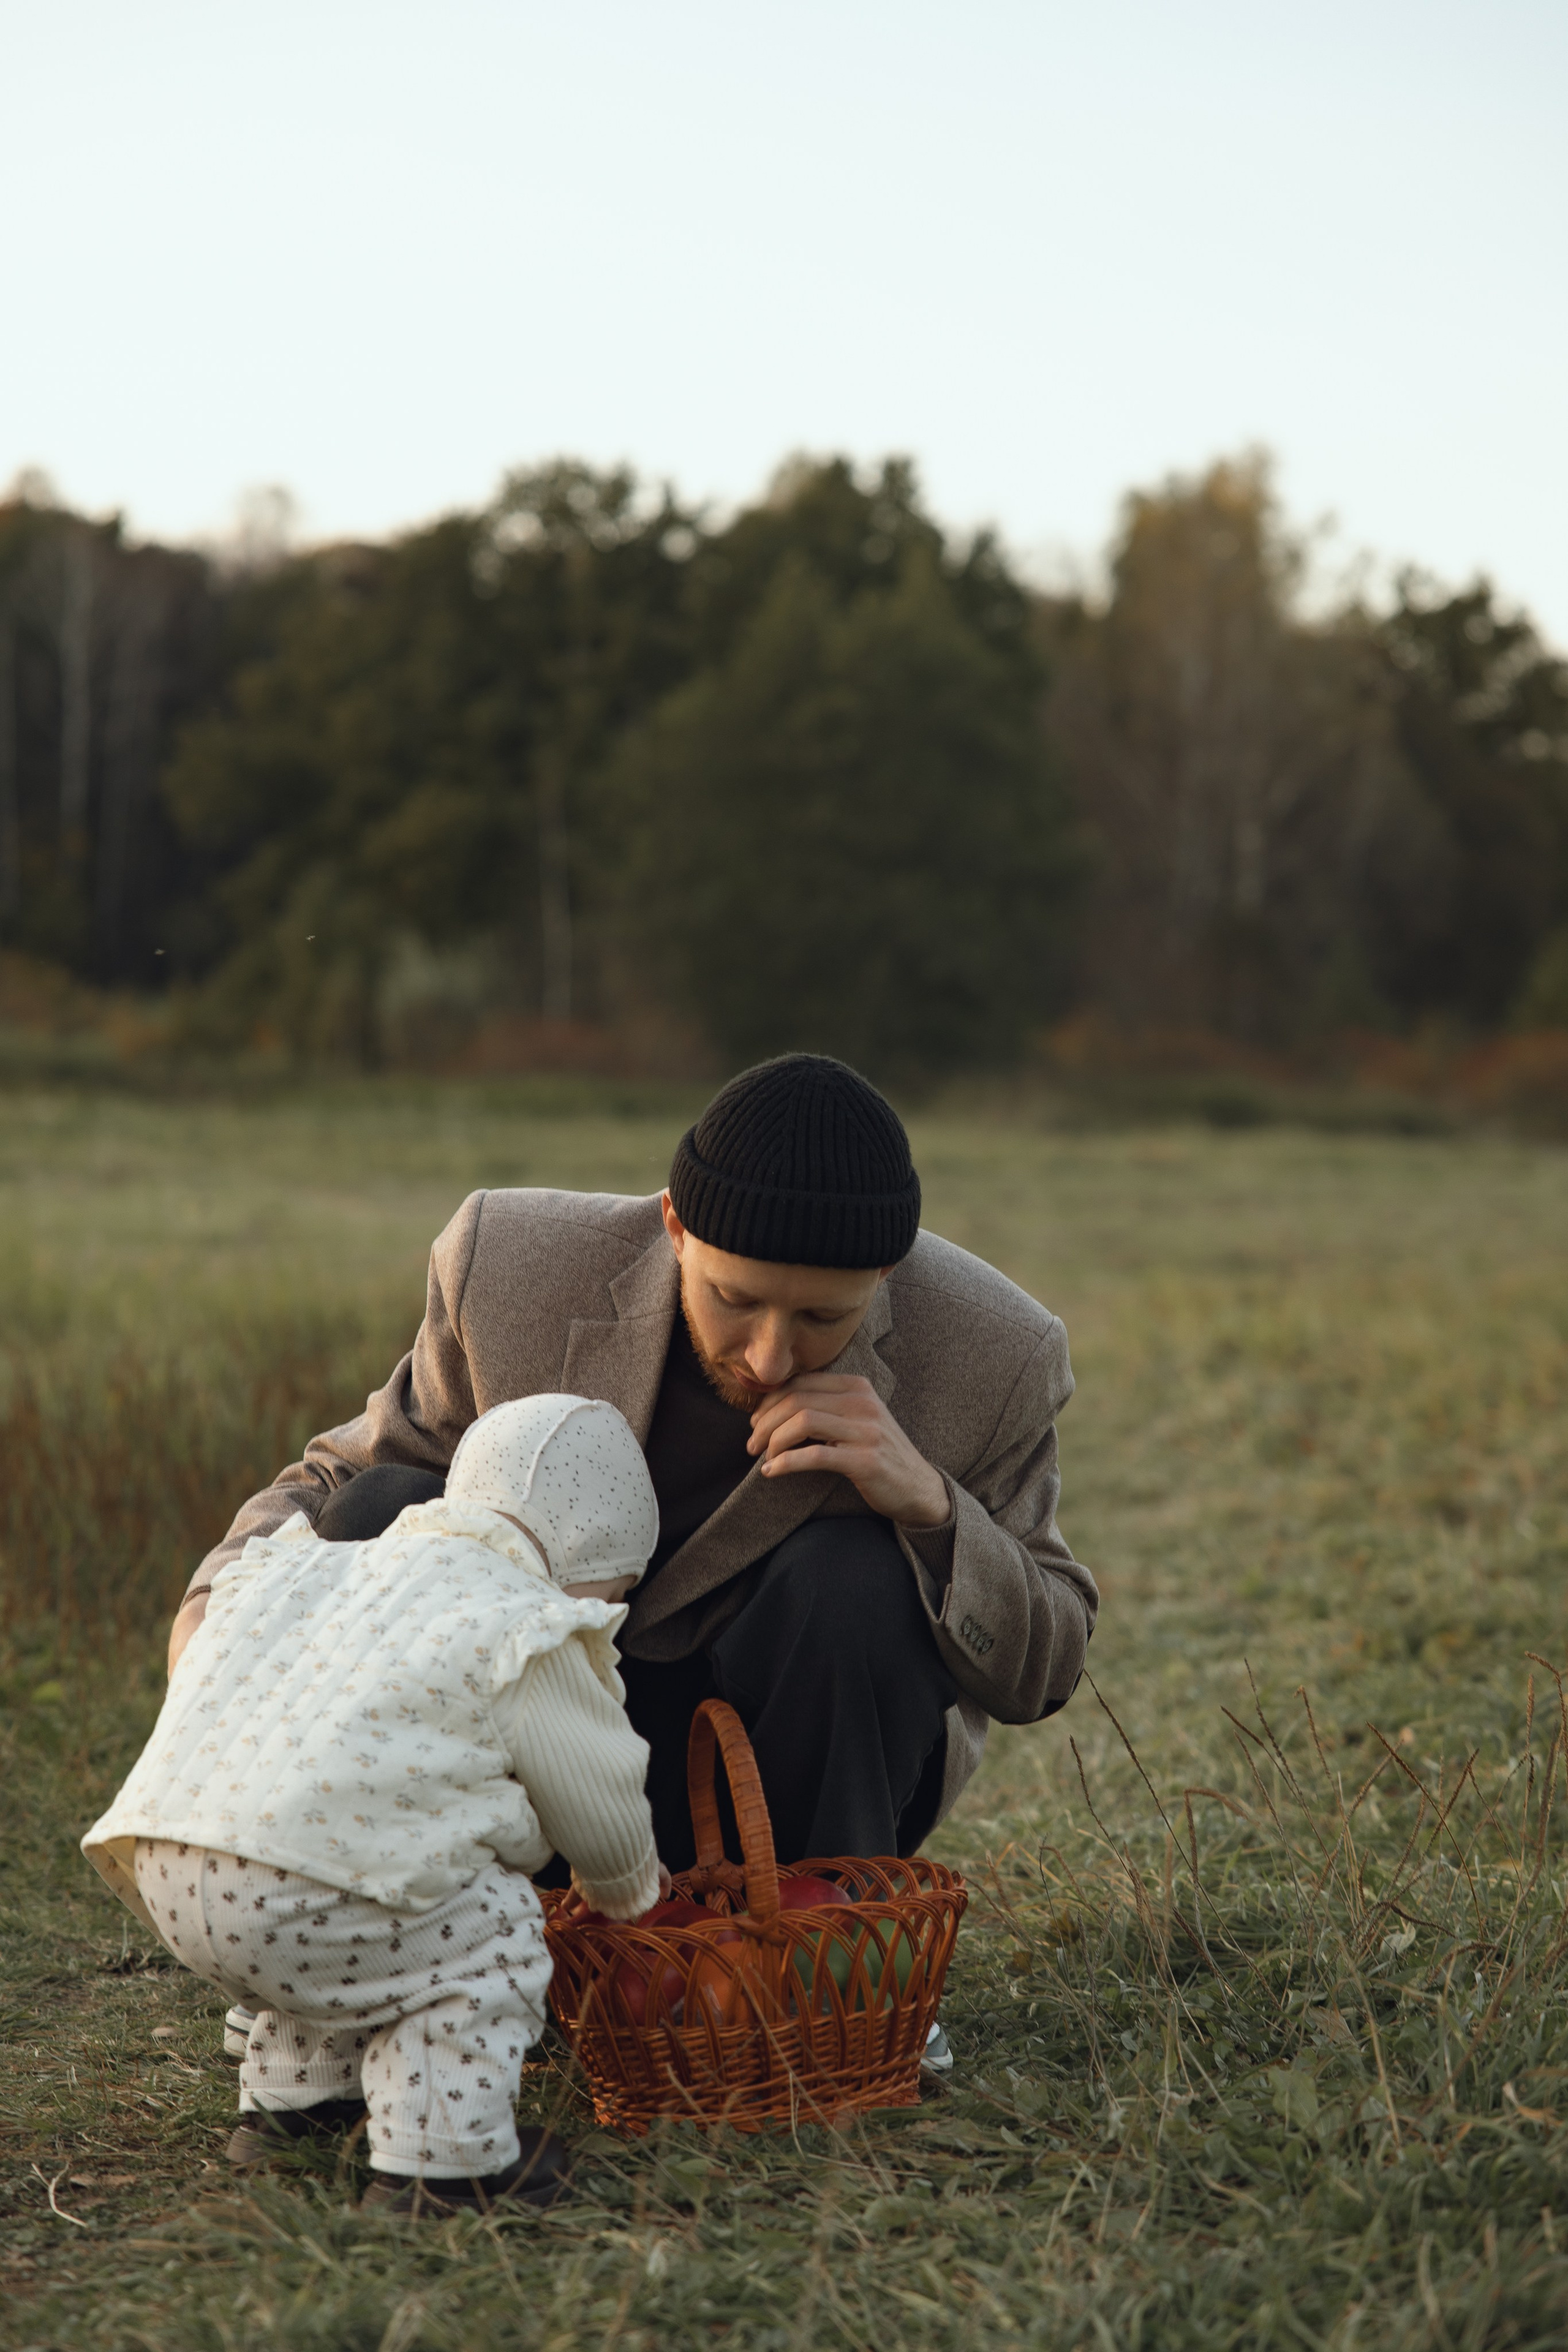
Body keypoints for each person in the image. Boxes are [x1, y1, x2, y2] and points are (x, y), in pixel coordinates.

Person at [171, 1052, 1098, 1936]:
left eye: (824, 1317)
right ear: (674, 1226)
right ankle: (410, 1931)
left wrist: (930, 1508)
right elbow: (345, 1482)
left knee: (854, 1580)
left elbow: (1046, 1669)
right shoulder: (509, 1267)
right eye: (736, 1299)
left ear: (887, 1273)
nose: (771, 1356)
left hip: (784, 1798)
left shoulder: (996, 1355)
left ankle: (821, 1959)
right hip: (533, 1755)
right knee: (381, 1516)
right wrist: (218, 1607)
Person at [85, 1394, 665, 2216]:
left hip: (169, 1859)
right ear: (590, 1554)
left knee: (370, 1879)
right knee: (488, 1931)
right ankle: (447, 2165)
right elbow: (595, 1782)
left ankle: (297, 2105)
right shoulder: (526, 1621)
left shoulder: (334, 1570)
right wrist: (626, 1885)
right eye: (617, 1590)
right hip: (296, 1886)